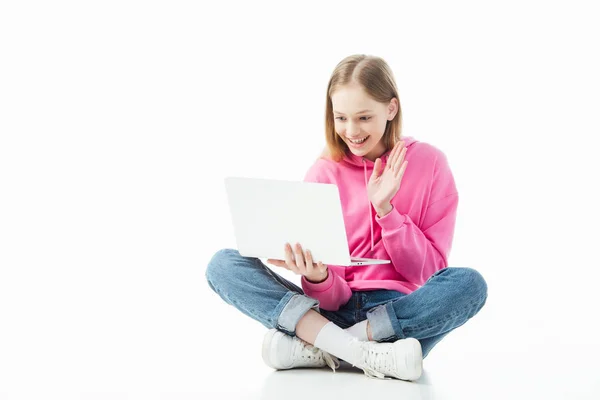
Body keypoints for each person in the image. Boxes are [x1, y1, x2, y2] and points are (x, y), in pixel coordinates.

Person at [205, 54, 488, 381]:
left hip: (397, 316)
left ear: (391, 109)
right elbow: (331, 295)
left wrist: (387, 212)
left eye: (364, 117)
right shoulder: (324, 171)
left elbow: (431, 273)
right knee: (223, 264)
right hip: (328, 313)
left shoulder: (431, 163)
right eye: (341, 118)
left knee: (469, 285)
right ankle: (367, 352)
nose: (351, 131)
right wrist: (318, 277)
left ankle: (326, 346)